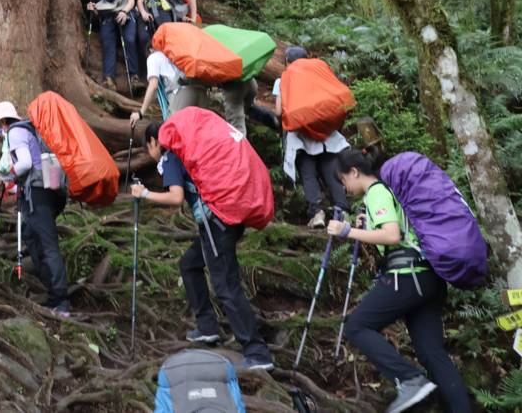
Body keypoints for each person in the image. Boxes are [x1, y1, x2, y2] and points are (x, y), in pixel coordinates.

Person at [327, 148, 471, 413]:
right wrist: (366, 227)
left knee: (357, 326)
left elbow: (392, 236)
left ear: (355, 173)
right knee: (431, 353)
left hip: (408, 276)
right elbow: (399, 232)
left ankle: (410, 379)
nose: (344, 188)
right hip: (429, 279)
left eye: (343, 180)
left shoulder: (377, 192)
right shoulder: (390, 192)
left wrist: (348, 231)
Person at [130, 121, 275, 372]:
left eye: (148, 148)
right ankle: (207, 327)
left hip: (215, 225)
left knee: (226, 286)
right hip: (223, 221)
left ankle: (257, 351)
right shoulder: (184, 154)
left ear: (154, 142)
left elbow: (175, 197)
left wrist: (144, 194)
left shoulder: (171, 158)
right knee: (189, 264)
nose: (150, 154)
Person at [0, 102, 70, 318]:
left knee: (47, 245)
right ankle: (52, 291)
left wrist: (6, 177)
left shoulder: (15, 132)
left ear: (3, 122)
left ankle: (61, 302)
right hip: (47, 191)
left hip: (38, 195)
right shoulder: (28, 129)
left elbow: (24, 164)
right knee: (32, 237)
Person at [274, 46, 350, 227]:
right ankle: (342, 212)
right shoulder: (319, 72)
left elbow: (278, 110)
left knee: (309, 175)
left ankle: (317, 214)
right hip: (327, 135)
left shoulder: (283, 79)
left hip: (301, 137)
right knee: (332, 174)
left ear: (287, 62)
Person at [85, 0, 141, 92]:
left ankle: (134, 78)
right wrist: (92, 8)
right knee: (107, 42)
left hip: (125, 15)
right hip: (107, 18)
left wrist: (124, 12)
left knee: (129, 39)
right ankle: (109, 79)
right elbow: (97, 9)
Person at [129, 48, 207, 126]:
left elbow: (153, 85)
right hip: (201, 90)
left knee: (172, 131)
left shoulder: (153, 57)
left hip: (182, 93)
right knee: (200, 130)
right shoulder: (174, 52)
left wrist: (141, 113)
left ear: (150, 50)